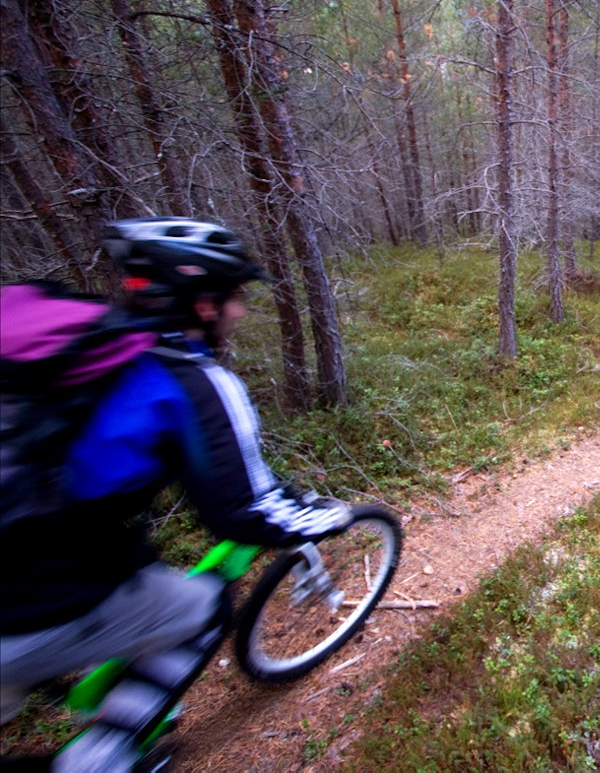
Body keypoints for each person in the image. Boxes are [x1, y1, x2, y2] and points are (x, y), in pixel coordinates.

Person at [0, 217, 351, 772]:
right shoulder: (192, 381)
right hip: (29, 597)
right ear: (202, 303)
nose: (238, 310)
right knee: (204, 607)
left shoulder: (74, 348)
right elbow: (245, 512)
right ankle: (100, 757)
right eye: (233, 297)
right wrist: (329, 517)